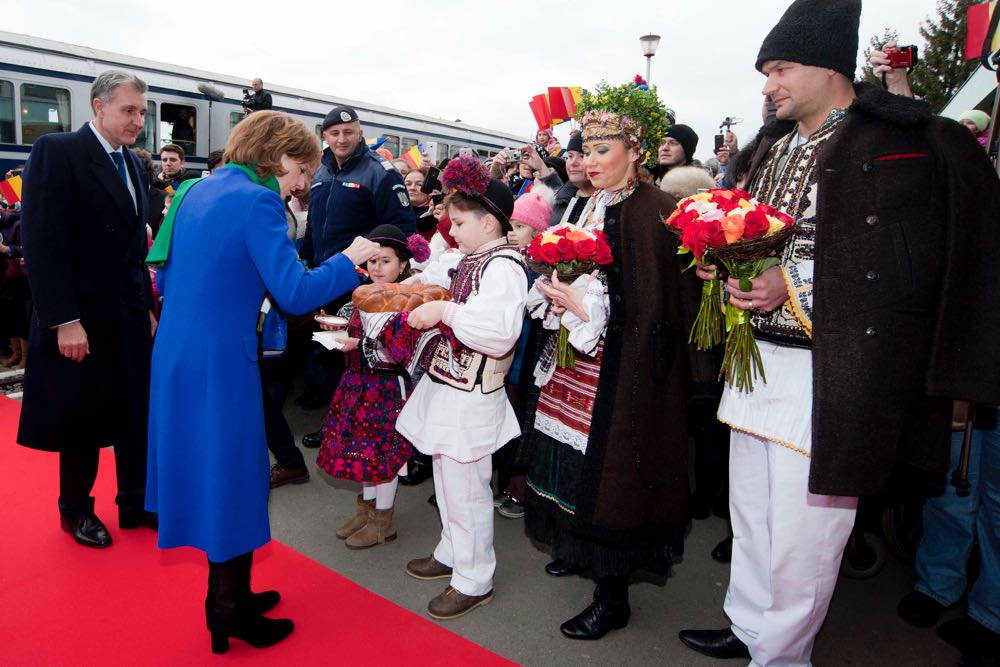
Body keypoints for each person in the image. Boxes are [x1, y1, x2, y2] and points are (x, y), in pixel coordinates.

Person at [678, 1, 1000, 665]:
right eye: (767, 70)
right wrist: (724, 261)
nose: (768, 83)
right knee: (753, 516)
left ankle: (783, 654)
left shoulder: (901, 142)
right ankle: (748, 626)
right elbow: (755, 229)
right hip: (757, 360)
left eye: (781, 67)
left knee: (806, 536)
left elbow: (907, 264)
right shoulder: (771, 143)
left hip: (832, 371)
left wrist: (790, 286)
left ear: (829, 66)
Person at [145, 110, 379, 654]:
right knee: (233, 477)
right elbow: (296, 292)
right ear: (276, 156)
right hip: (220, 359)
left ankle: (232, 593)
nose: (303, 183)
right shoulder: (258, 201)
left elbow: (172, 271)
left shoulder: (196, 191)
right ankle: (227, 608)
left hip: (179, 353)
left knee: (216, 473)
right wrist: (350, 259)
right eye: (301, 169)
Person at [524, 82, 705, 640]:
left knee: (617, 479)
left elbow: (664, 301)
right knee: (577, 468)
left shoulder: (657, 209)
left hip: (625, 372)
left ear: (635, 150)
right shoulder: (586, 201)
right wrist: (560, 294)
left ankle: (613, 594)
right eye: (588, 148)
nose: (592, 159)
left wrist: (588, 305)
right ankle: (580, 549)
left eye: (605, 149)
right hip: (576, 363)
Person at [17, 69, 157, 549]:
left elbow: (135, 251)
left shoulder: (134, 165)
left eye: (142, 112)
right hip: (82, 319)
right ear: (99, 107)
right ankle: (75, 510)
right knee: (81, 418)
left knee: (133, 412)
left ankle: (135, 503)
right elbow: (42, 243)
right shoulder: (59, 151)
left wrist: (149, 307)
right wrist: (64, 320)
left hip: (129, 315)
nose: (138, 120)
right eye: (129, 110)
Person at [396, 155, 528, 621]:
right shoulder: (476, 258)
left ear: (489, 223)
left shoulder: (504, 266)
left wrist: (446, 313)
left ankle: (474, 578)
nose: (451, 229)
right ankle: (452, 552)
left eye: (459, 221)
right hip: (453, 383)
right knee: (448, 478)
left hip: (473, 394)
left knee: (467, 487)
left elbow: (499, 331)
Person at [298, 105, 415, 448]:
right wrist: (305, 259)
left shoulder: (380, 171)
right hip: (324, 276)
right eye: (334, 133)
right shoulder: (320, 169)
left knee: (351, 358)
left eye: (348, 132)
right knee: (328, 353)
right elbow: (315, 224)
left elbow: (400, 229)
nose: (342, 138)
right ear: (326, 136)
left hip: (358, 283)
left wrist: (373, 275)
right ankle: (338, 418)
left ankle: (342, 426)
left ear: (360, 132)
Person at [315, 224, 430, 549]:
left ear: (403, 265)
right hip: (357, 385)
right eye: (373, 261)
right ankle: (365, 511)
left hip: (387, 388)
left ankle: (383, 520)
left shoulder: (407, 302)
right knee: (363, 451)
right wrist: (335, 330)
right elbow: (353, 332)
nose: (377, 268)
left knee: (383, 456)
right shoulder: (360, 297)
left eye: (386, 261)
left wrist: (358, 343)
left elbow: (402, 351)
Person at [551, 133, 595, 225]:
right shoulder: (565, 199)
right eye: (570, 156)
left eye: (582, 156)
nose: (573, 163)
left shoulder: (607, 203)